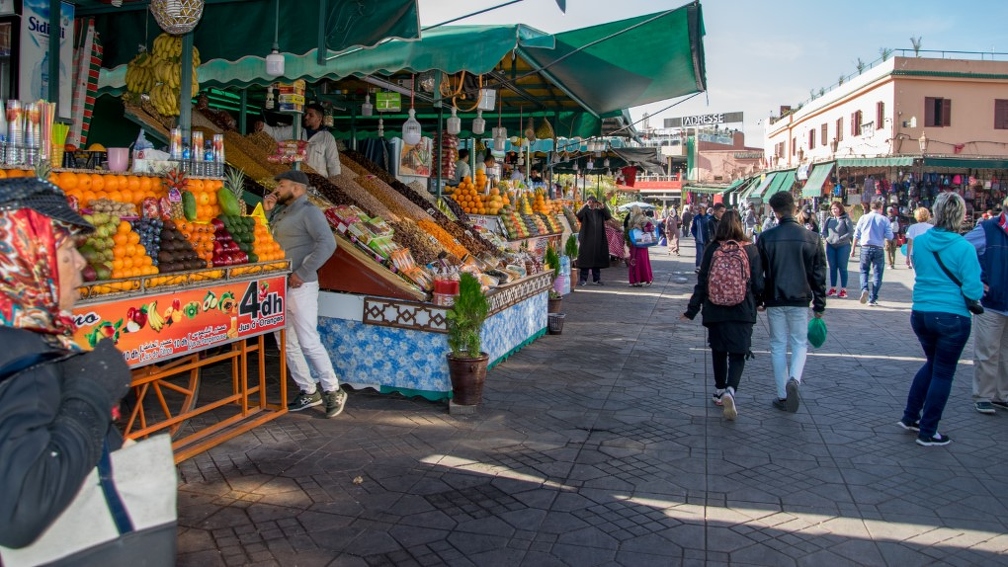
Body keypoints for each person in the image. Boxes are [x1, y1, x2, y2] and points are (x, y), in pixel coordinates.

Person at [0, 178, 134, 553]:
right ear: (29, 256)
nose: (81, 263)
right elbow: (19, 511)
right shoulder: (23, 354)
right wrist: (91, 390)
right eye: (66, 251)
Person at [899, 192, 982, 446]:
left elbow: (914, 261)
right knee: (943, 373)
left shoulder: (922, 241)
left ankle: (910, 416)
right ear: (960, 215)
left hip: (921, 312)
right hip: (952, 316)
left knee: (932, 364)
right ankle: (928, 431)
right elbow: (973, 290)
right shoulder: (964, 247)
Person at [264, 169, 347, 417]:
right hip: (280, 286)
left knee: (308, 341)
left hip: (301, 286)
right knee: (285, 342)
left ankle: (333, 390)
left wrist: (303, 271)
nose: (277, 189)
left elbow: (327, 243)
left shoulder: (309, 211)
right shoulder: (282, 211)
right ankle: (308, 390)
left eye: (282, 185)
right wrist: (267, 212)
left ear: (297, 188)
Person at [681, 211, 764, 420]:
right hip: (742, 310)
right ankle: (731, 390)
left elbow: (702, 282)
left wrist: (691, 310)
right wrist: (760, 302)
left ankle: (719, 391)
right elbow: (759, 283)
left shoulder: (712, 248)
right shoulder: (751, 250)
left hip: (715, 309)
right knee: (738, 353)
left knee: (718, 350)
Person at [756, 191, 827, 413]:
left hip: (775, 297)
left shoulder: (766, 237)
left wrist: (759, 297)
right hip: (800, 298)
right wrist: (820, 304)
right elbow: (819, 274)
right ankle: (794, 379)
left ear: (774, 211)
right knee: (799, 342)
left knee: (777, 344)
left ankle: (782, 394)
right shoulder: (812, 238)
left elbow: (759, 273)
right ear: (794, 208)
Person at [965, 197, 1008, 415]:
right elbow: (963, 250)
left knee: (1006, 353)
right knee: (987, 351)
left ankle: (1003, 395)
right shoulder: (988, 229)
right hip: (992, 302)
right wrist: (976, 280)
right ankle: (984, 395)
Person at [257, 102, 341, 179]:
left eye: (311, 115)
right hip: (296, 179)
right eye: (306, 114)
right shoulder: (296, 130)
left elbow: (333, 163)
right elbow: (275, 133)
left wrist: (336, 184)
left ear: (319, 119)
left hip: (317, 181)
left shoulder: (327, 138)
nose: (306, 117)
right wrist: (263, 127)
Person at [850, 199, 894, 306]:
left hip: (865, 247)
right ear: (881, 208)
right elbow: (890, 236)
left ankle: (864, 288)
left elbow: (856, 234)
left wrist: (853, 249)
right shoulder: (884, 219)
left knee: (864, 271)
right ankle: (872, 298)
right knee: (877, 274)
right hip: (878, 248)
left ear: (871, 207)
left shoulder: (863, 218)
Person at [575, 196, 612, 285]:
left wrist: (603, 207)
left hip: (598, 239)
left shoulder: (599, 212)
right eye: (590, 202)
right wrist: (585, 205)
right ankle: (583, 279)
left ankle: (597, 279)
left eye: (593, 202)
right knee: (585, 260)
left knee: (597, 260)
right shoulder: (585, 212)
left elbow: (608, 216)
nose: (592, 204)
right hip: (586, 239)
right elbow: (578, 215)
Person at [823, 201, 854, 298]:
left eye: (835, 208)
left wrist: (841, 238)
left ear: (840, 209)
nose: (834, 210)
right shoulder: (829, 219)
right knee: (832, 267)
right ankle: (833, 288)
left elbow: (850, 232)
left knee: (842, 268)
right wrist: (827, 238)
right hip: (831, 245)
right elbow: (824, 230)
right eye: (832, 209)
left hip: (843, 246)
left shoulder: (845, 219)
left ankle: (843, 290)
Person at [625, 205, 654, 287]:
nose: (631, 212)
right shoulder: (631, 219)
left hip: (642, 244)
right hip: (634, 244)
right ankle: (634, 280)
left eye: (632, 210)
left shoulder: (643, 219)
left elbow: (651, 228)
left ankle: (642, 279)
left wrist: (641, 228)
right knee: (633, 262)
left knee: (641, 262)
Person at [690, 206, 714, 272]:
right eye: (699, 208)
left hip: (708, 239)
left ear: (705, 209)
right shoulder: (696, 218)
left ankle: (706, 267)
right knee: (699, 253)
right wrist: (696, 235)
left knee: (707, 253)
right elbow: (693, 228)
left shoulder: (709, 217)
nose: (700, 210)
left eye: (701, 208)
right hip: (699, 239)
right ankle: (698, 267)